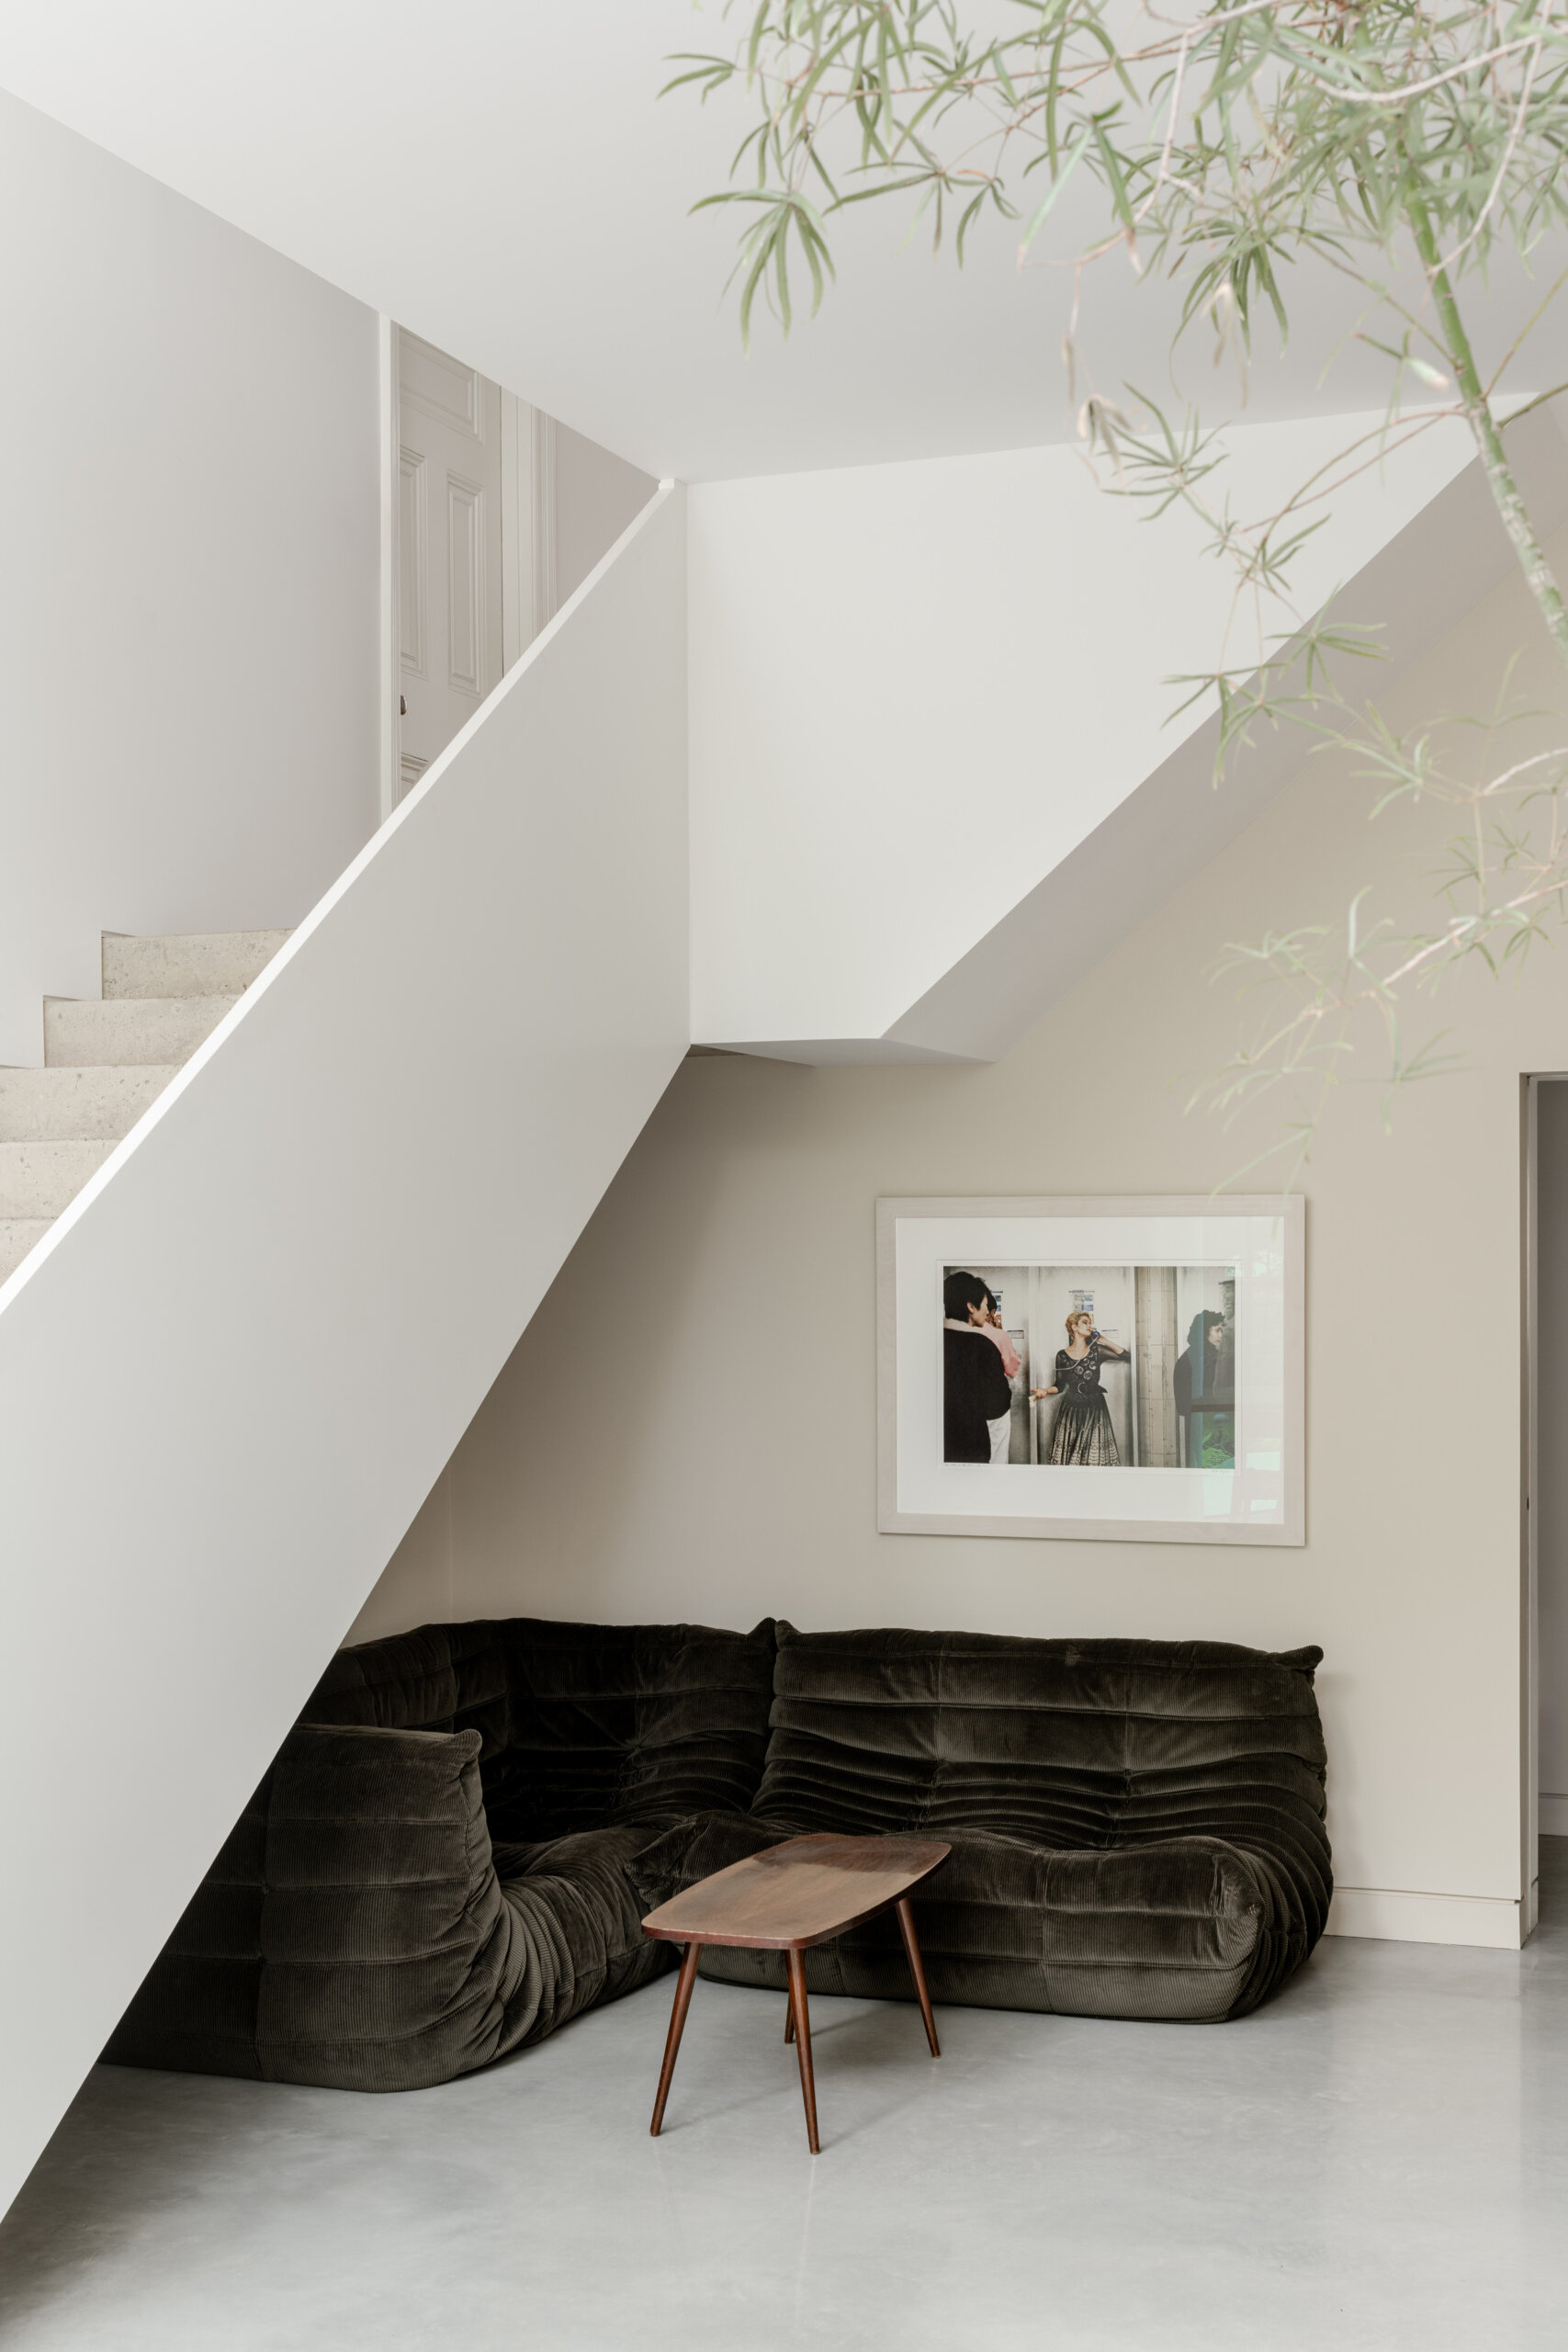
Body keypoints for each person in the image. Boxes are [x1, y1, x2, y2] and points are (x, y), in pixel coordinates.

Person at [1030, 1309, 1124, 1465]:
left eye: (1090, 1323)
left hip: (1095, 1409)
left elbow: (1126, 1356)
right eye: (1085, 1323)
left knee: (1093, 1458)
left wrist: (1104, 1340)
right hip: (1071, 1409)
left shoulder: (1097, 1351)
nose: (1089, 1326)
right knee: (1071, 1458)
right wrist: (1046, 1390)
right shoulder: (1062, 1355)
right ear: (1074, 1327)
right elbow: (1059, 1386)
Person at [942, 1272, 1015, 1463]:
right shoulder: (982, 1346)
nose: (987, 1311)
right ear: (971, 1306)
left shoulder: (931, 1341)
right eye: (984, 1305)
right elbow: (997, 1406)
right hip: (973, 1445)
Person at [1173, 1309, 1235, 1467]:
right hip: (1206, 1422)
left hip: (1201, 1420)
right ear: (1204, 1331)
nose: (1220, 1335)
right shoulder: (1203, 1358)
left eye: (1221, 1330)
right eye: (1217, 1330)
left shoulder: (1193, 1355)